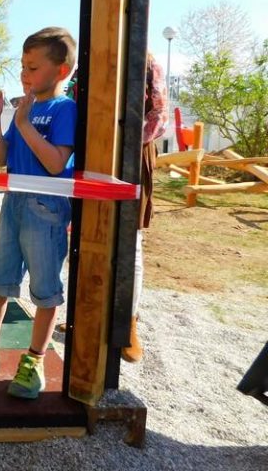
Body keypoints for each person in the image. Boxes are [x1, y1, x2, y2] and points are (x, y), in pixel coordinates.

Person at [0, 27, 77, 400]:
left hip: (47, 207)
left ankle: (34, 361)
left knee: (45, 291)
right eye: (23, 66)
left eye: (33, 67)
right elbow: (3, 157)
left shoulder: (63, 109)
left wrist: (22, 123)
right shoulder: (27, 107)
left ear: (61, 72)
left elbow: (56, 163)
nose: (24, 74)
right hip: (14, 203)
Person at [123, 52, 168, 362]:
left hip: (134, 155)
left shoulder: (147, 60)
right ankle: (89, 315)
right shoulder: (93, 56)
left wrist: (120, 141)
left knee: (130, 243)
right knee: (87, 237)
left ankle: (127, 322)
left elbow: (158, 116)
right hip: (95, 153)